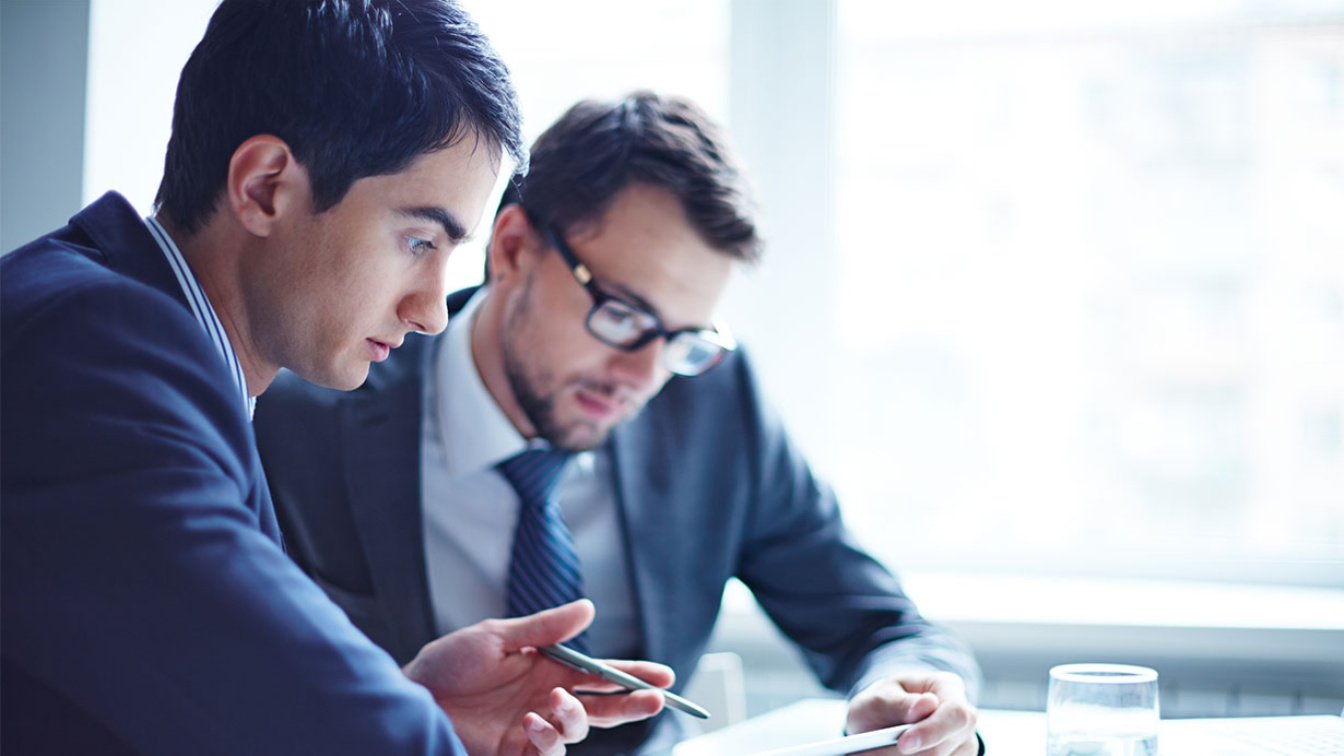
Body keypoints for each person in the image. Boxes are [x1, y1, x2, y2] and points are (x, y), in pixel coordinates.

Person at [0, 3, 675, 755]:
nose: (432, 313)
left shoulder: (148, 345)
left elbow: (172, 689)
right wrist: (400, 731)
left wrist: (411, 701)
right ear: (264, 188)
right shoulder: (99, 355)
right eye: (418, 239)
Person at [254, 91, 985, 756]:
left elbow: (882, 627)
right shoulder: (305, 421)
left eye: (682, 340)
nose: (644, 378)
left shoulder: (714, 406)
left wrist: (919, 692)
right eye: (625, 316)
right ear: (512, 248)